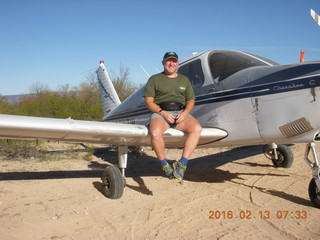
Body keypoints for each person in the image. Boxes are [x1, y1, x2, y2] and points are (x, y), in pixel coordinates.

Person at [143, 52, 202, 180]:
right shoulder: (154, 79)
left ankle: (182, 163)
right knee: (155, 132)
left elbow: (191, 101)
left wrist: (184, 113)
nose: (171, 63)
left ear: (178, 63)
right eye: (168, 61)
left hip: (180, 113)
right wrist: (162, 112)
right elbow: (148, 101)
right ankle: (164, 164)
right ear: (163, 63)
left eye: (174, 61)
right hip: (161, 113)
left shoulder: (184, 80)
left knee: (197, 128)